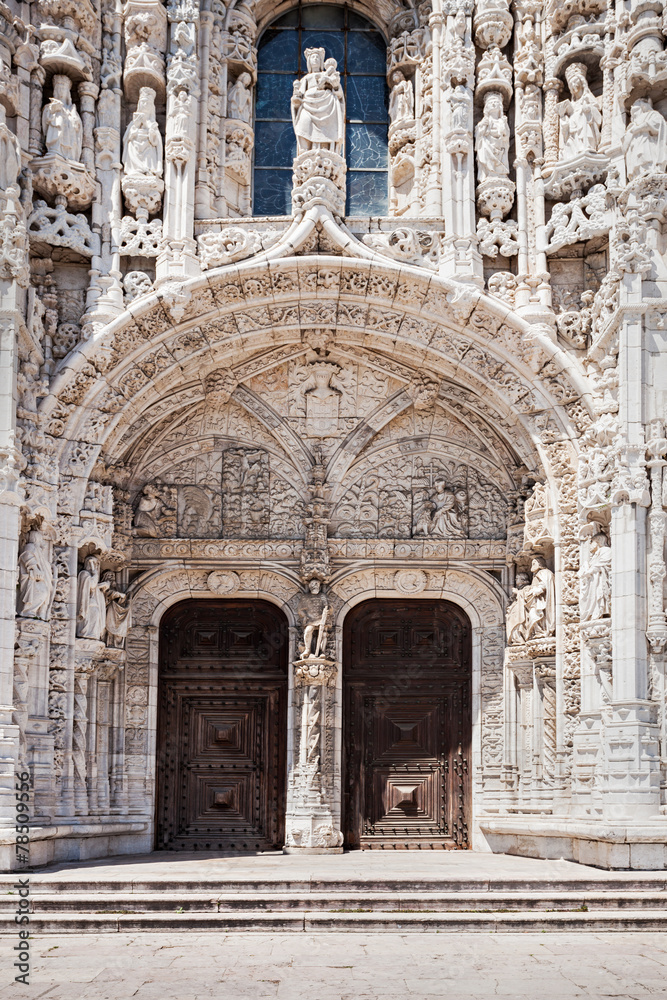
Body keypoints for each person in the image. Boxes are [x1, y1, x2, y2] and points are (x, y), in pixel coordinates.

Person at [291, 48, 345, 155]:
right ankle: (305, 151)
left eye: (317, 57)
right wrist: (296, 98)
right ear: (309, 62)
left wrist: (332, 83)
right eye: (312, 58)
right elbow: (298, 96)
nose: (315, 59)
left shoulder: (328, 75)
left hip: (327, 104)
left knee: (327, 128)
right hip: (307, 105)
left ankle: (327, 151)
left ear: (321, 61)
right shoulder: (306, 78)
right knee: (303, 123)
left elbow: (338, 93)